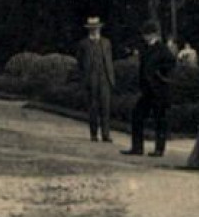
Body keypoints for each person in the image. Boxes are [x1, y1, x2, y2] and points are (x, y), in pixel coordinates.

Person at [125, 20, 176, 158]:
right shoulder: (145, 48)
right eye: (144, 34)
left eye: (147, 34)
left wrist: (159, 74)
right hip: (147, 90)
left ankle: (159, 149)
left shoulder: (162, 49)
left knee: (160, 119)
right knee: (137, 115)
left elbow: (171, 64)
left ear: (153, 35)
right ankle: (137, 147)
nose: (145, 37)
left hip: (159, 91)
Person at [75, 16, 116, 143]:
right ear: (89, 30)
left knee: (106, 107)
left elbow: (109, 61)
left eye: (96, 28)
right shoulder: (83, 44)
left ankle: (106, 134)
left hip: (104, 77)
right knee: (93, 107)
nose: (94, 31)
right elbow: (80, 62)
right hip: (91, 78)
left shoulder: (106, 42)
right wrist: (84, 78)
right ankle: (94, 133)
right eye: (92, 29)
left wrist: (111, 78)